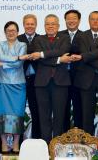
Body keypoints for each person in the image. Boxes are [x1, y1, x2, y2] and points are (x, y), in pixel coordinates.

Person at [72, 11, 98, 141]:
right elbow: (86, 55)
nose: (95, 22)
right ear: (89, 21)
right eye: (93, 19)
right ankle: (87, 144)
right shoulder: (82, 36)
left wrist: (85, 56)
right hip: (86, 80)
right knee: (87, 115)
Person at [30, 14, 71, 143]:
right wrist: (59, 59)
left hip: (61, 82)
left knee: (59, 116)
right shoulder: (38, 40)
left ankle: (57, 145)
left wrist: (42, 54)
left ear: (58, 26)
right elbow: (40, 60)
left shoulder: (65, 38)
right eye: (48, 24)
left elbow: (63, 50)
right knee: (44, 115)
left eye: (53, 23)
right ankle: (45, 144)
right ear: (44, 26)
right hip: (42, 83)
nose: (50, 26)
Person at [0, 21, 28, 153]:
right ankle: (3, 143)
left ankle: (15, 144)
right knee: (2, 114)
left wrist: (2, 64)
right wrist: (18, 57)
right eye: (8, 30)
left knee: (17, 114)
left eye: (13, 30)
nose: (11, 33)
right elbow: (1, 57)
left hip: (18, 84)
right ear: (5, 32)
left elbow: (19, 65)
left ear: (17, 32)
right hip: (2, 83)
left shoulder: (23, 44)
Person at [17, 14, 41, 139]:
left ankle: (37, 140)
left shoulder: (42, 38)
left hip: (37, 81)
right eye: (27, 24)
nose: (30, 26)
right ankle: (19, 142)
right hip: (20, 80)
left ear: (36, 25)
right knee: (19, 112)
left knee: (36, 111)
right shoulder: (17, 39)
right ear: (24, 25)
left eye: (32, 24)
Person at [58, 9, 83, 130]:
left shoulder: (85, 36)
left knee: (79, 108)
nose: (71, 20)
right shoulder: (59, 35)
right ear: (65, 20)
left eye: (74, 18)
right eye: (69, 18)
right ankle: (63, 138)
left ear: (79, 20)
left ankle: (79, 139)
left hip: (79, 78)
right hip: (61, 77)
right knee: (62, 108)